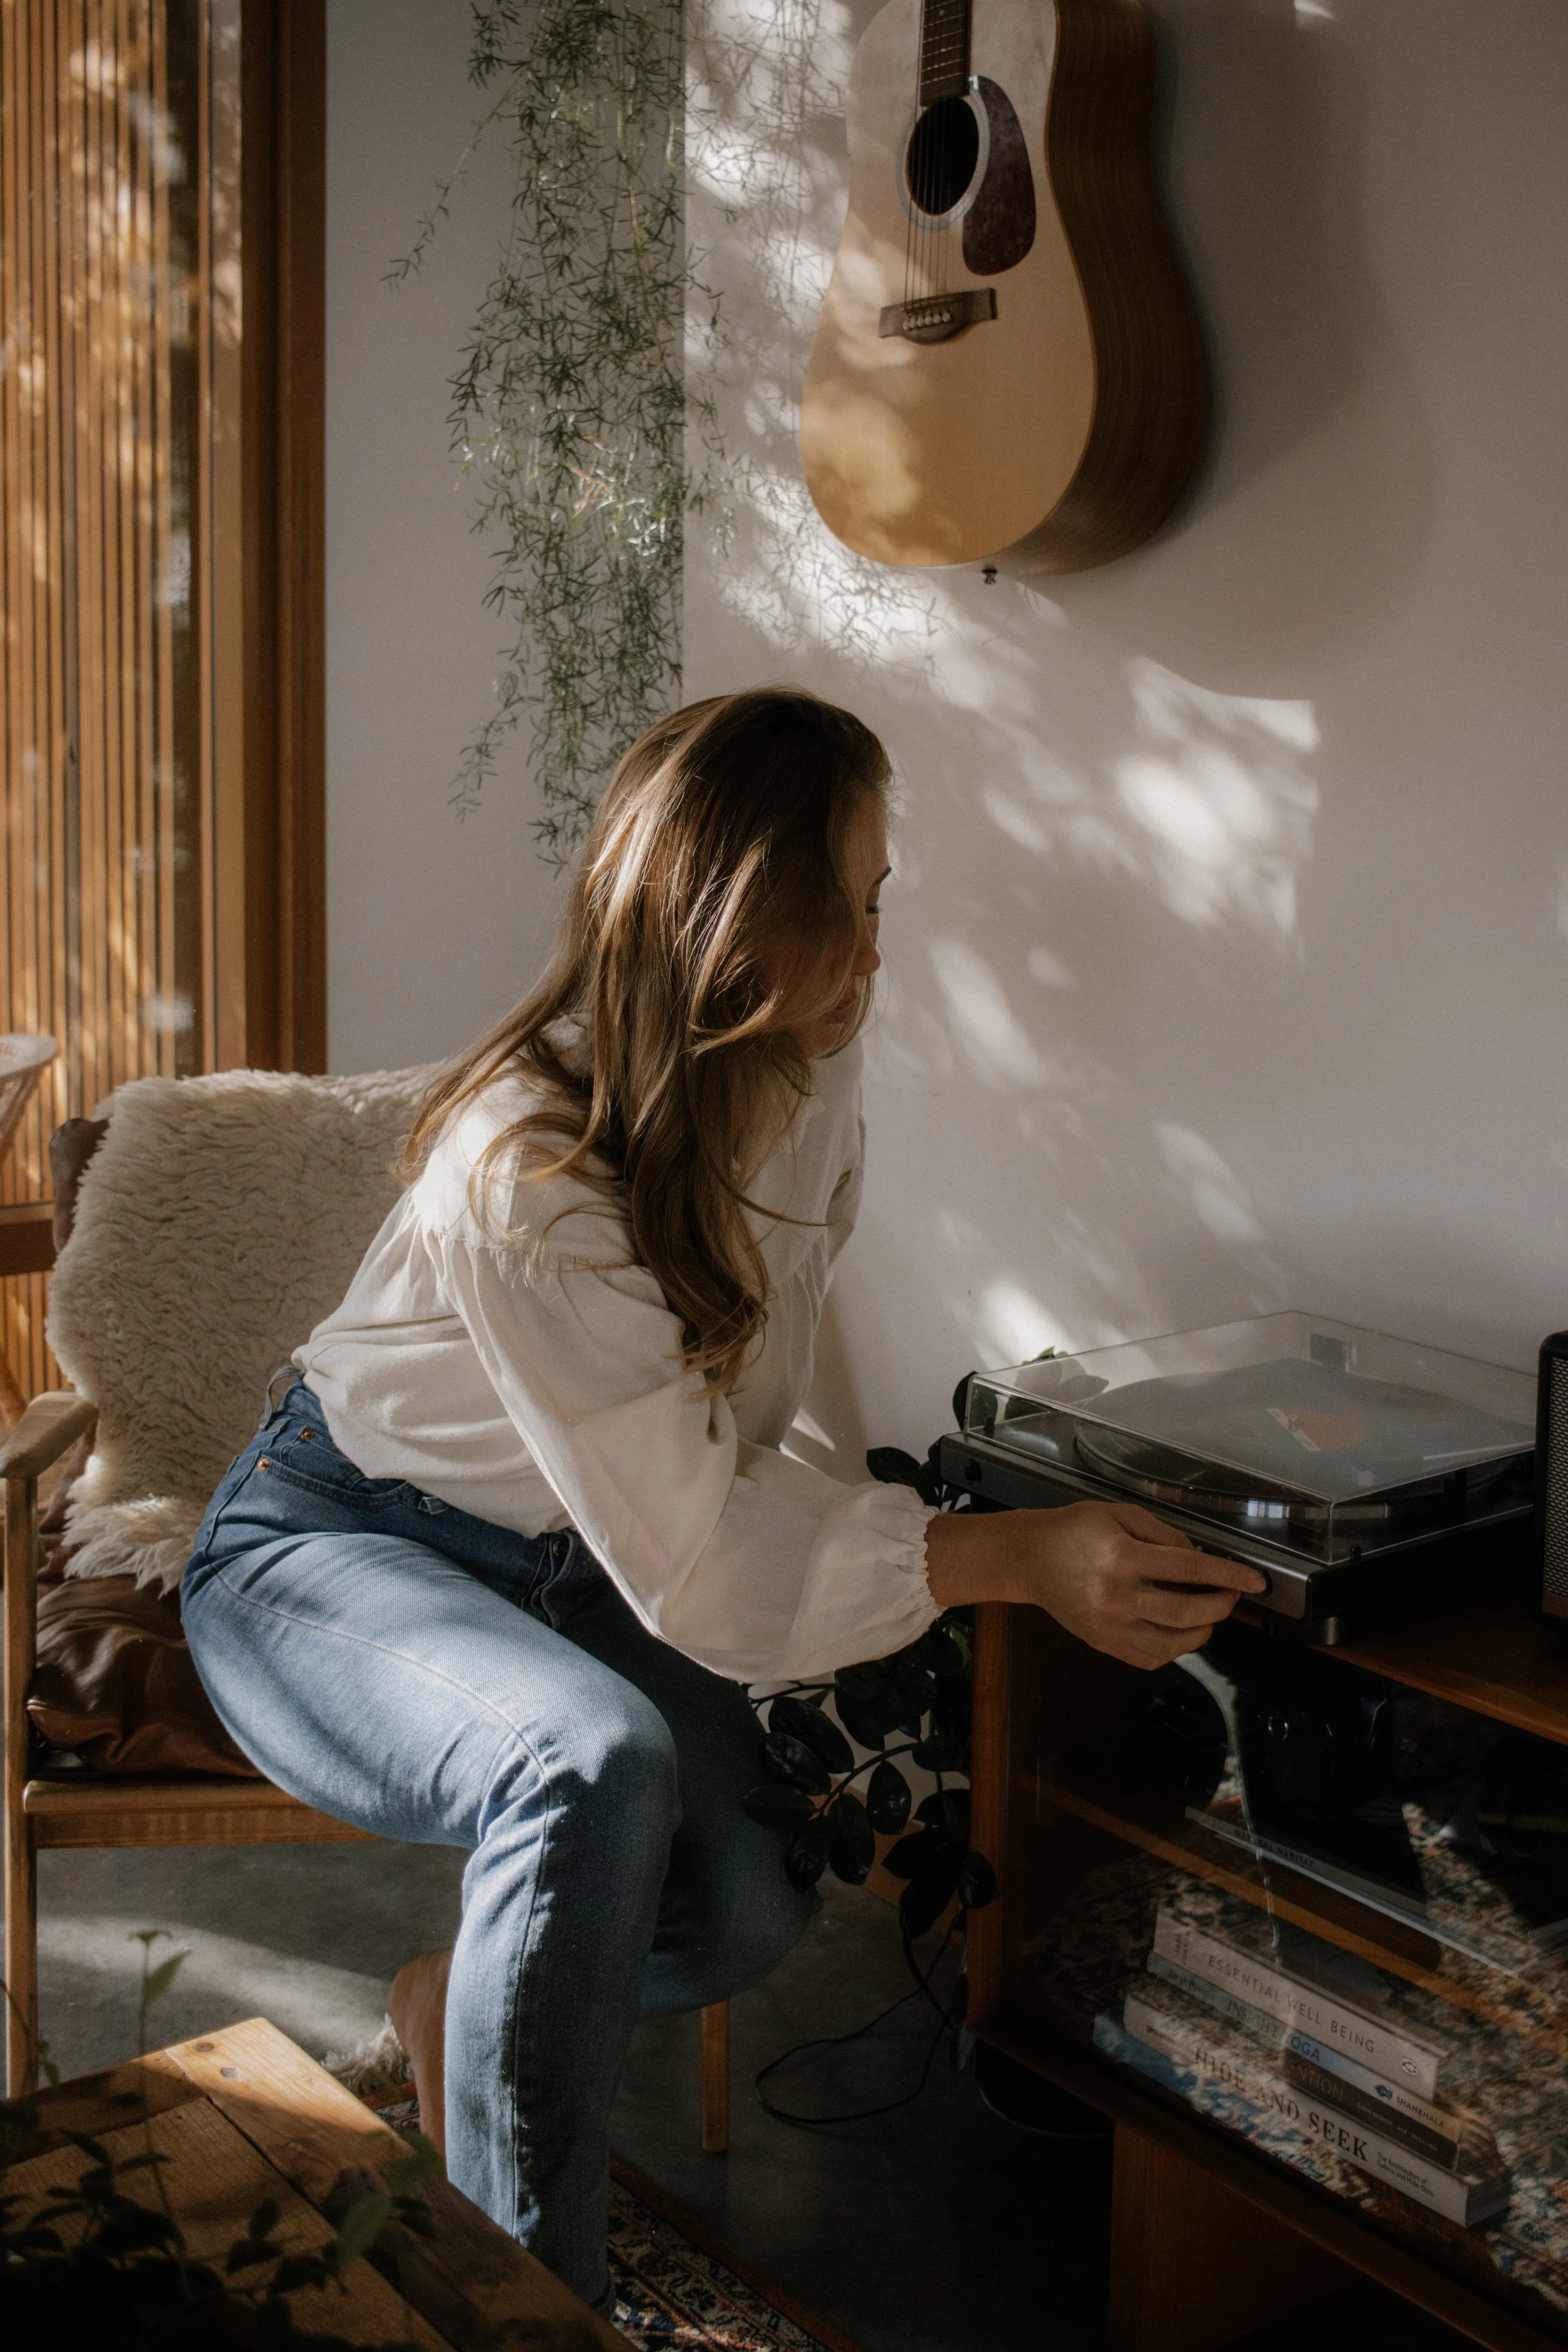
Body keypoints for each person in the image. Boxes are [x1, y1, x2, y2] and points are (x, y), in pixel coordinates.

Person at [181, 687, 1265, 2316]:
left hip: (572, 1560)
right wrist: (1011, 1557)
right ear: (750, 923)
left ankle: (453, 1999)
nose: (881, 948)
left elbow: (746, 1415)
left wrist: (908, 1531)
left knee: (756, 1901)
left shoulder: (806, 1080)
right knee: (584, 1755)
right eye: (864, 904)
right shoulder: (521, 1170)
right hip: (334, 1546)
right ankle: (528, 2299)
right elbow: (691, 1549)